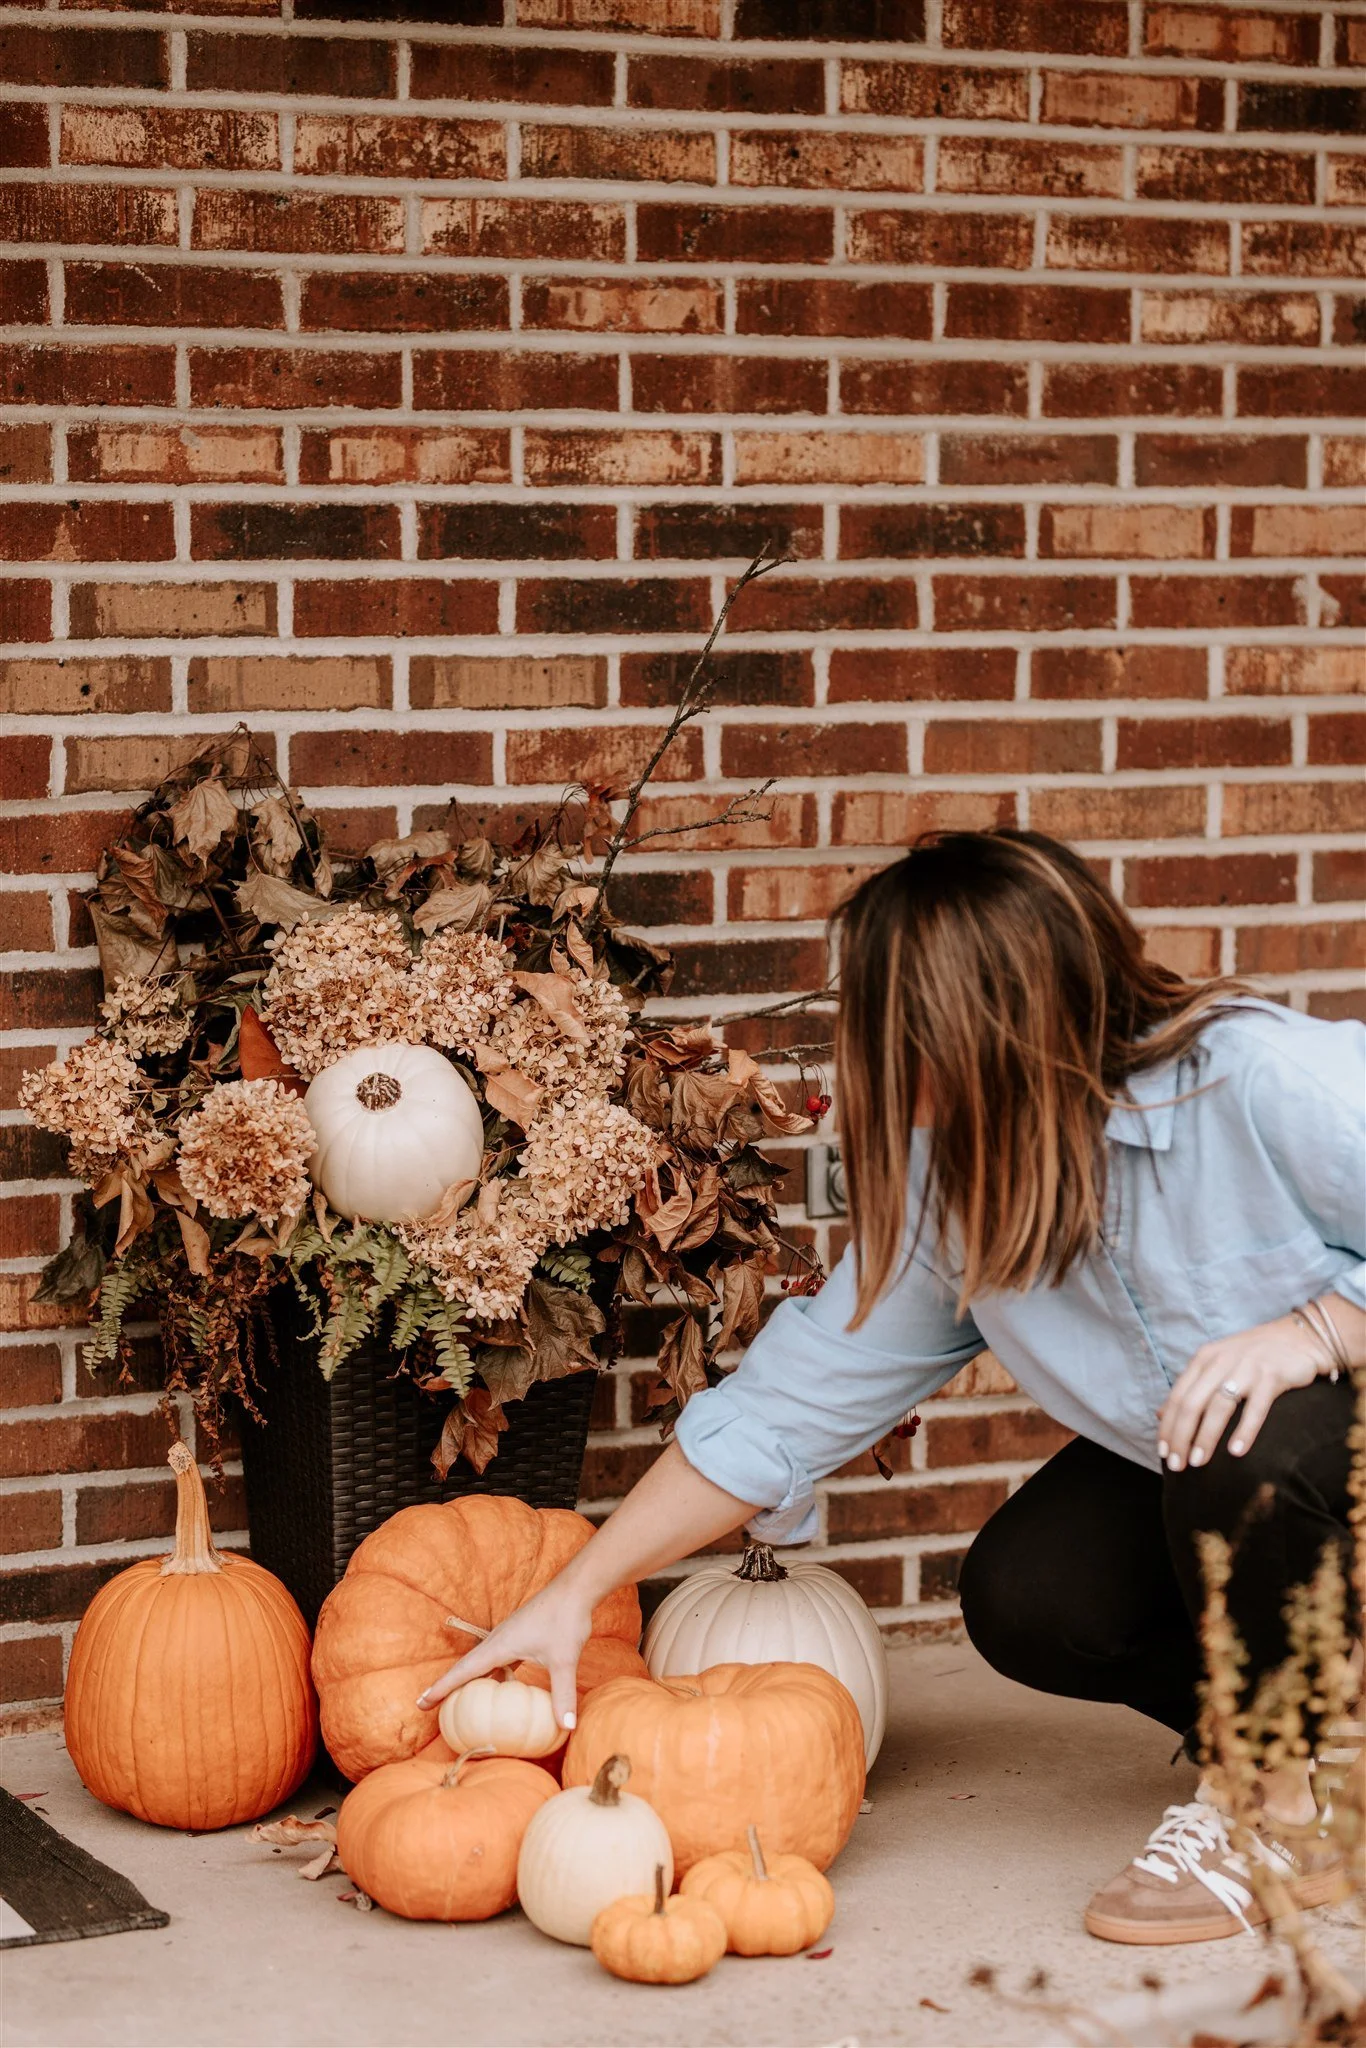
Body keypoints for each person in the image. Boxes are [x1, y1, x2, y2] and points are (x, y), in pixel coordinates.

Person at [420, 829, 1365, 1947]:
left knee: (1241, 1440)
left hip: (1302, 1447)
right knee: (1035, 1599)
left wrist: (1320, 1324)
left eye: (886, 1021)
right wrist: (578, 1589)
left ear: (986, 1021)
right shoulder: (958, 1181)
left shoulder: (1262, 1079)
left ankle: (1279, 1813)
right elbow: (787, 1407)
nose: (861, 1051)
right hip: (1245, 1471)